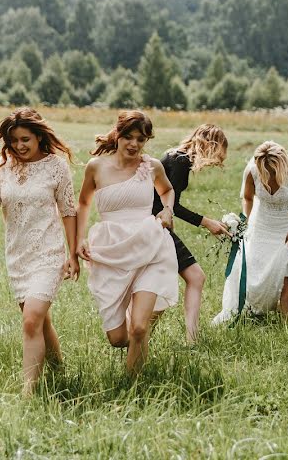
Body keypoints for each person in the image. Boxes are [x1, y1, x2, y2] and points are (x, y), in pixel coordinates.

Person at [0, 108, 78, 396]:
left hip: (49, 252)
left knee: (31, 317)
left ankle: (28, 391)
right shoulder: (3, 166)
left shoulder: (56, 166)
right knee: (39, 320)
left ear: (38, 137)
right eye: (14, 141)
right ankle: (58, 368)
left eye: (25, 139)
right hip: (18, 255)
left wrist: (72, 255)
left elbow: (68, 210)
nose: (19, 146)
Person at [76, 111, 178, 376]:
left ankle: (133, 385)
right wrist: (78, 239)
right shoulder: (96, 167)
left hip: (150, 246)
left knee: (139, 329)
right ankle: (135, 333)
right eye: (129, 137)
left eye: (141, 139)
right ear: (117, 134)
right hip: (111, 249)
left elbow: (167, 190)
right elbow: (84, 202)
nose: (134, 144)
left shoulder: (152, 166)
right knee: (118, 338)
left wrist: (167, 210)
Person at [212, 141, 288, 325]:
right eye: (264, 168)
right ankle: (257, 308)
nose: (268, 173)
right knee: (258, 272)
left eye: (272, 169)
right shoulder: (253, 171)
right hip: (261, 226)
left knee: (286, 273)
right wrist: (246, 221)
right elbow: (248, 197)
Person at [152, 124, 230, 342]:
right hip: (153, 227)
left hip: (159, 225)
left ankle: (187, 337)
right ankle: (190, 338)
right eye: (218, 154)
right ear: (211, 144)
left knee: (186, 279)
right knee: (194, 277)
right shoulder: (180, 161)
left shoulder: (176, 157)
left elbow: (164, 203)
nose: (217, 162)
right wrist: (206, 222)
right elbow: (172, 205)